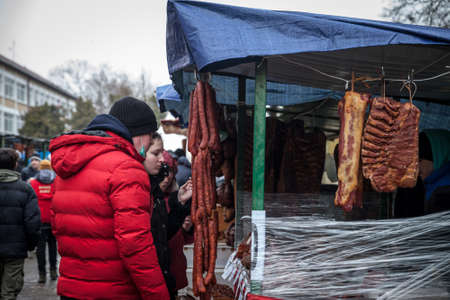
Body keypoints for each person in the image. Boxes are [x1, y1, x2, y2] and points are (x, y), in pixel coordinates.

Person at [49, 97, 169, 300]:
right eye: (149, 134)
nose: (149, 141)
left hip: (72, 288)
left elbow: (58, 227)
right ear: (138, 135)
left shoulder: (68, 166)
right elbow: (136, 245)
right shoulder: (127, 168)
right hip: (114, 290)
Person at [143, 135, 192, 300]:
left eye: (162, 153)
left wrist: (179, 202)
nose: (161, 158)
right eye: (156, 153)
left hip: (164, 280)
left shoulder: (154, 191)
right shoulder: (140, 191)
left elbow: (162, 234)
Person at [0, 148, 40, 300]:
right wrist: (30, 245)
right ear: (15, 164)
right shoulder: (26, 189)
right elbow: (32, 222)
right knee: (9, 292)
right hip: (15, 250)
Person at [29, 159, 57, 283]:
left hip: (39, 219)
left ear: (40, 168)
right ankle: (53, 271)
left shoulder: (33, 183)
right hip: (53, 218)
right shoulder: (56, 182)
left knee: (40, 249)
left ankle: (42, 274)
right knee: (53, 246)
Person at [418, 129, 450, 214]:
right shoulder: (433, 184)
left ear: (437, 156)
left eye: (420, 160)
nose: (416, 167)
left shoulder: (444, 191)